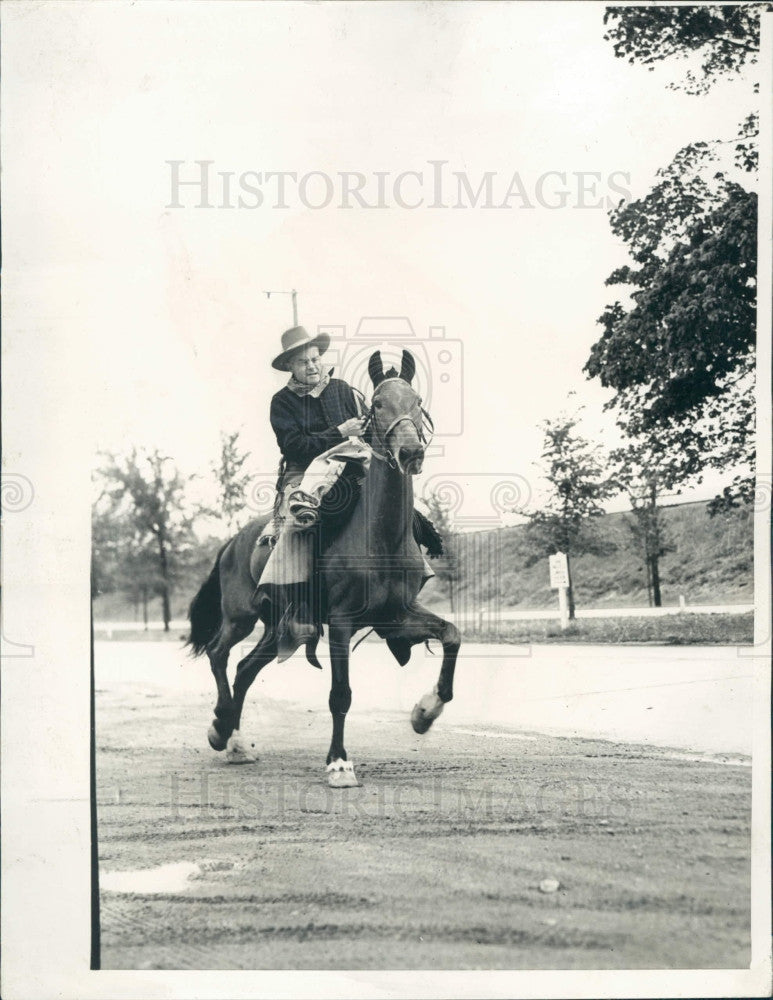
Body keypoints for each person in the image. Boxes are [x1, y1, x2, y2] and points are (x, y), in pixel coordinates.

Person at [256, 326, 371, 659]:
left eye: (316, 358)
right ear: (290, 367)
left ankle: (405, 581)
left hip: (351, 466)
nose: (312, 365)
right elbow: (294, 445)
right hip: (302, 471)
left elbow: (364, 428)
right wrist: (338, 432)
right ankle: (302, 604)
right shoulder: (282, 402)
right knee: (304, 520)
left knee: (390, 502)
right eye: (303, 361)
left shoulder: (342, 389)